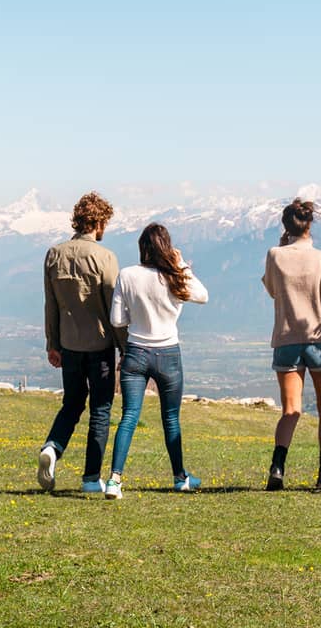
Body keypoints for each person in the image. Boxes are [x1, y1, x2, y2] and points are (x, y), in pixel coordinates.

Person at [104, 223, 209, 498]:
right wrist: (181, 263)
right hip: (169, 354)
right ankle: (179, 477)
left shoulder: (127, 275)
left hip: (136, 352)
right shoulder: (174, 277)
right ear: (167, 247)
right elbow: (203, 296)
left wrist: (135, 317)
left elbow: (117, 319)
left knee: (128, 416)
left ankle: (114, 480)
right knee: (171, 418)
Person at [261, 199, 321, 491]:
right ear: (310, 225)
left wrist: (281, 247)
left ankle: (277, 467)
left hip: (286, 341)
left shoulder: (275, 255)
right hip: (320, 341)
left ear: (285, 227)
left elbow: (271, 289)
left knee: (290, 410)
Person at [39, 192, 126, 495]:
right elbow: (115, 310)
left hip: (69, 344)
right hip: (100, 345)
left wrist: (52, 343)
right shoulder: (105, 258)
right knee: (101, 409)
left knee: (72, 404)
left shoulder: (54, 255)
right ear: (99, 222)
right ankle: (91, 477)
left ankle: (52, 447)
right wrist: (125, 348)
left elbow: (50, 305)